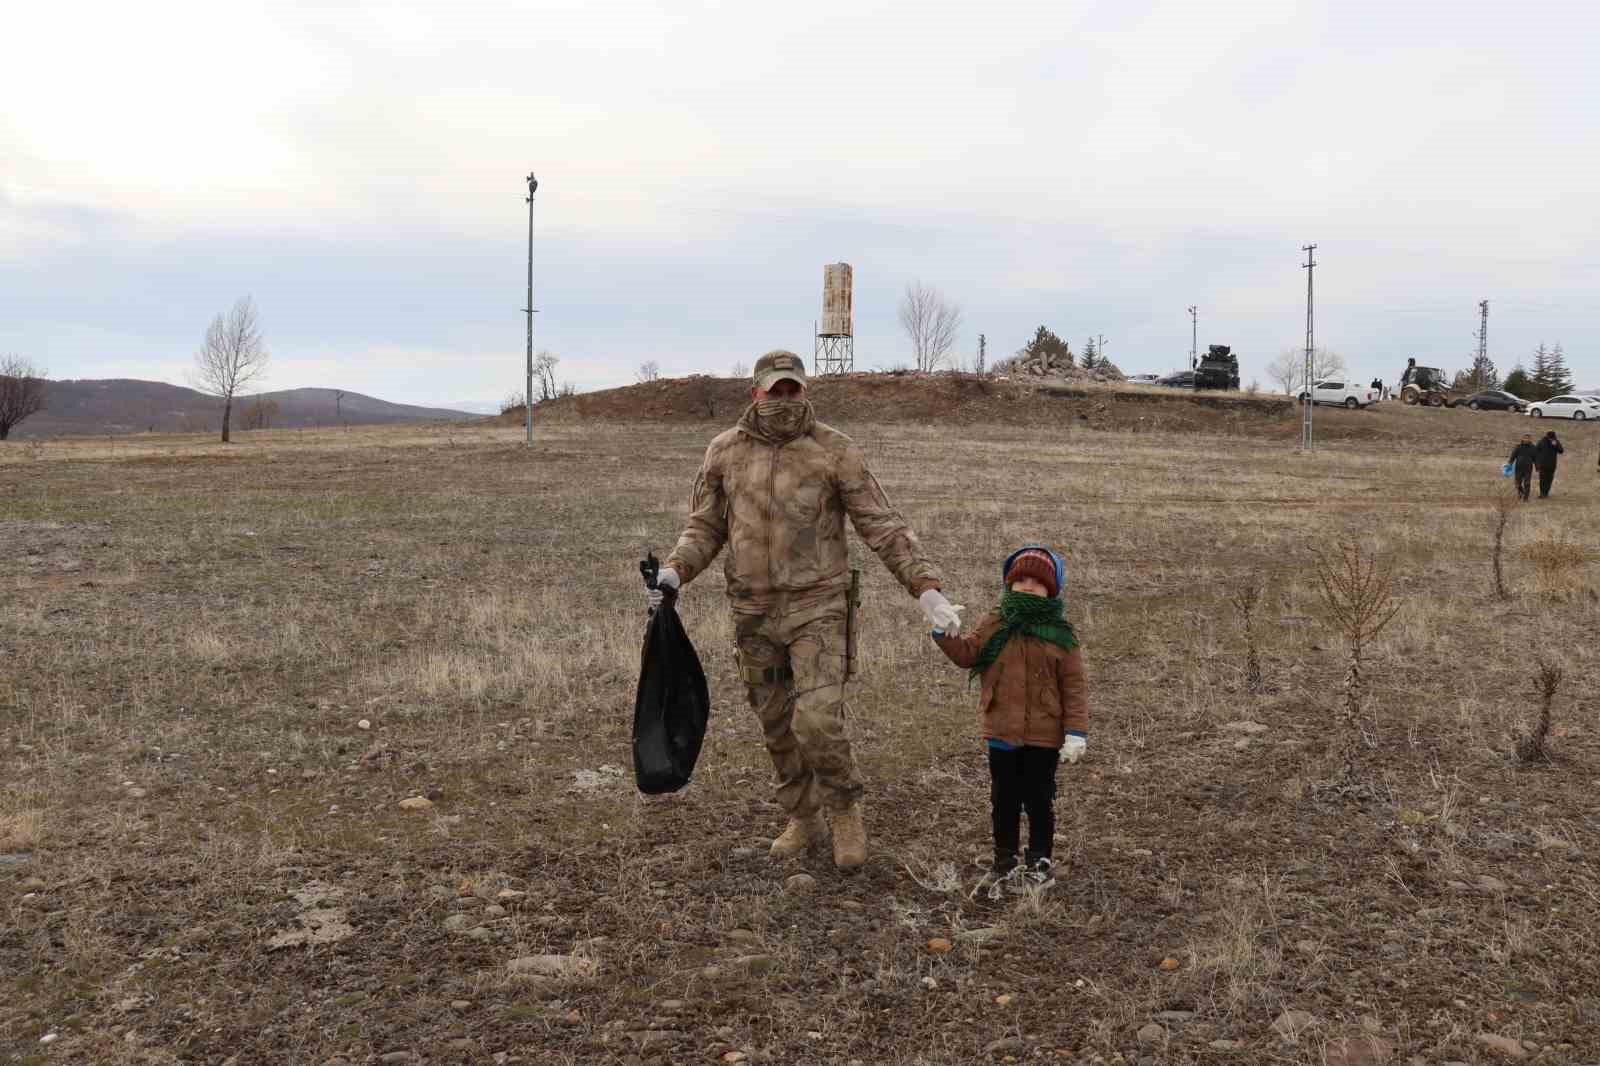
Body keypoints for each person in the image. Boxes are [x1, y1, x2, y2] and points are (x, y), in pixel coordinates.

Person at [651, 350, 961, 870]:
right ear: (756, 392)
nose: (784, 398)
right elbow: (705, 526)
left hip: (819, 605)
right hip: (752, 609)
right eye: (775, 389)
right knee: (775, 721)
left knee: (816, 720)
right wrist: (675, 571)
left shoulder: (834, 450)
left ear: (805, 390)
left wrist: (925, 588)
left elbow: (881, 523)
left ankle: (843, 810)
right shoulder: (724, 452)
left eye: (792, 388)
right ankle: (803, 816)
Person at [930, 546, 1087, 895]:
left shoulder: (1062, 634)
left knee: (1039, 799)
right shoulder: (994, 622)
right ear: (1009, 583)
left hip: (1044, 735)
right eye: (1022, 579)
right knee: (1003, 800)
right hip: (1001, 731)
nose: (1029, 586)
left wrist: (1076, 732)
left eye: (1038, 582)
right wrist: (945, 632)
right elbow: (968, 655)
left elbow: (1074, 686)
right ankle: (1004, 861)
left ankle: (1039, 863)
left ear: (1052, 589)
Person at [1534, 430, 1564, 498]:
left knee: (1549, 479)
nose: (1551, 439)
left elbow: (1561, 451)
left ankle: (1546, 492)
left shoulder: (1556, 441)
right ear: (1547, 436)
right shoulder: (1541, 441)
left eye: (1552, 437)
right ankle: (1542, 493)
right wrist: (1537, 462)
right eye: (1550, 437)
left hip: (1552, 464)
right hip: (1543, 464)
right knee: (1542, 479)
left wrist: (1556, 445)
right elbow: (1536, 451)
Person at [1508, 433, 1538, 501]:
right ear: (1522, 439)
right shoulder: (1518, 446)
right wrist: (1510, 463)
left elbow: (1536, 458)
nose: (1526, 440)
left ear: (1530, 439)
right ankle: (1520, 493)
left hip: (1528, 468)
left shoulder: (1533, 447)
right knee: (1517, 483)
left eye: (1528, 438)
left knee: (1527, 483)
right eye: (1525, 438)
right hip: (1519, 467)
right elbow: (1513, 455)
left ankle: (1526, 498)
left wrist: (1537, 467)